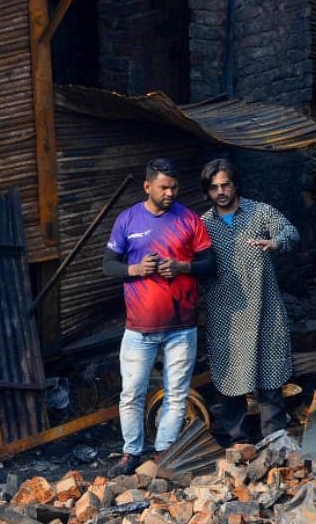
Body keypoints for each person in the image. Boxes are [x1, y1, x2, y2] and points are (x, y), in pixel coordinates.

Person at [101, 158, 215, 476]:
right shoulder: (128, 220)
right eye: (164, 187)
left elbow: (210, 264)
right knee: (132, 392)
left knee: (177, 392)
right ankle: (130, 454)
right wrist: (134, 269)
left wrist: (182, 267)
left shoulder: (189, 219)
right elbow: (108, 264)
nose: (170, 192)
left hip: (182, 326)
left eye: (174, 187)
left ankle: (165, 452)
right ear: (147, 186)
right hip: (139, 327)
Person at [199, 158, 298, 443]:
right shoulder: (203, 225)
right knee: (232, 379)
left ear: (235, 184)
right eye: (214, 187)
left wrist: (276, 242)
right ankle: (238, 442)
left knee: (270, 375)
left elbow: (290, 231)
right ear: (208, 191)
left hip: (265, 307)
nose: (221, 191)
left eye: (225, 184)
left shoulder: (259, 212)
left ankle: (275, 438)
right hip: (225, 314)